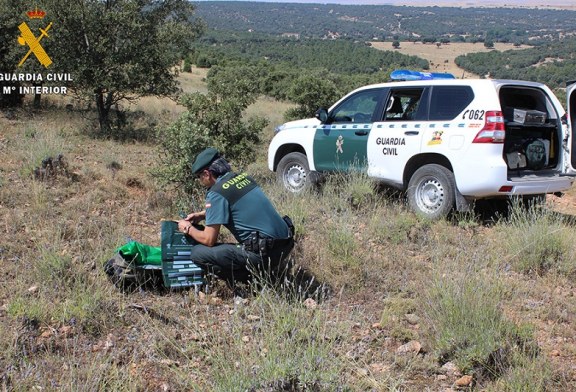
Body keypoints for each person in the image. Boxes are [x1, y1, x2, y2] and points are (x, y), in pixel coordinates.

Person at [177, 147, 295, 290]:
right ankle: (265, 271)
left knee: (198, 254)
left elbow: (208, 239)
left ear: (207, 174)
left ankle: (254, 280)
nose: (200, 181)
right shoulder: (243, 177)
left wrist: (187, 228)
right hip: (286, 244)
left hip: (264, 255)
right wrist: (202, 215)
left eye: (199, 177)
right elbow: (239, 206)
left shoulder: (215, 193)